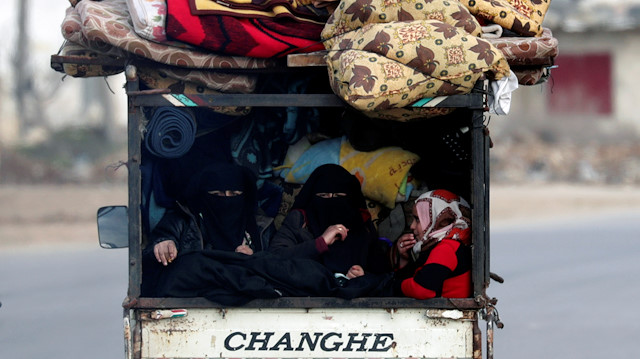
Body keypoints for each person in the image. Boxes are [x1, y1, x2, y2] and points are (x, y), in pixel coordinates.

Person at [269, 164, 391, 280]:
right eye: (323, 195)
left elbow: (383, 275)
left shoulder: (362, 227)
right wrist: (320, 243)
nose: (331, 202)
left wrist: (363, 277)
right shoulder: (299, 221)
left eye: (338, 196)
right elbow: (273, 258)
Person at [145, 162, 259, 267]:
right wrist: (163, 246)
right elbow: (155, 246)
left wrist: (254, 258)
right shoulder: (183, 221)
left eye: (234, 194)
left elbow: (272, 264)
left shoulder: (260, 227)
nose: (226, 200)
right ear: (204, 195)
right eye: (217, 194)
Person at [392, 189, 472, 299]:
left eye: (417, 219)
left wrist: (391, 286)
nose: (412, 226)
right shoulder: (445, 245)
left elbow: (421, 290)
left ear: (437, 220)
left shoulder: (446, 248)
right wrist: (404, 260)